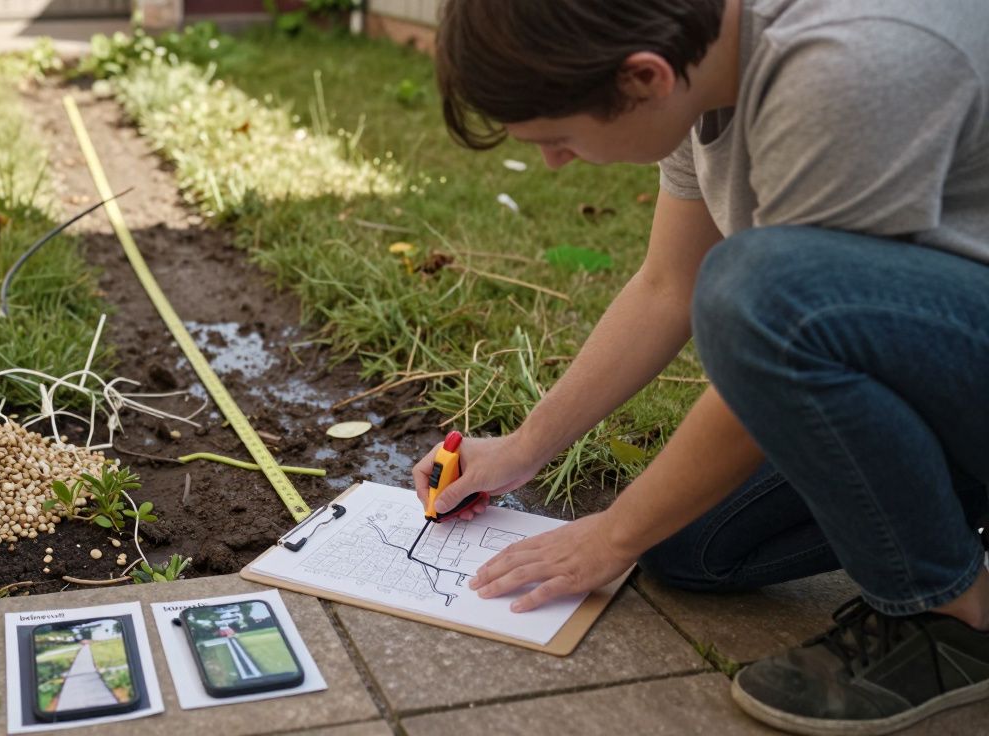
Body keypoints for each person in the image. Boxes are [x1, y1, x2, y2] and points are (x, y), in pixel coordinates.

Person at [411, 1, 989, 733]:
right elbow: (669, 285)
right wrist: (525, 450)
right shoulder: (693, 57)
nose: (554, 162)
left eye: (557, 139)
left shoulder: (851, 67)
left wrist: (615, 532)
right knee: (686, 546)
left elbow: (780, 320)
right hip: (941, 354)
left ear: (642, 79)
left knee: (756, 293)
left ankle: (956, 614)